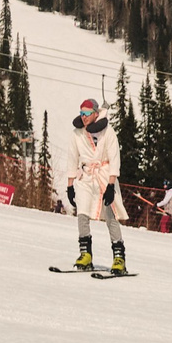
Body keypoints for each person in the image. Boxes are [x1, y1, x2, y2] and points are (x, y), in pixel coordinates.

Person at [65, 97, 128, 272]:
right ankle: (85, 254)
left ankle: (119, 257)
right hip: (86, 177)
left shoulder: (108, 132)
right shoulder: (76, 134)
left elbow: (115, 158)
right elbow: (72, 159)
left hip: (105, 176)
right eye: (81, 113)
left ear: (95, 113)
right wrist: (70, 185)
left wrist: (111, 185)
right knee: (82, 213)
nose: (83, 117)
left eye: (86, 113)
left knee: (110, 216)